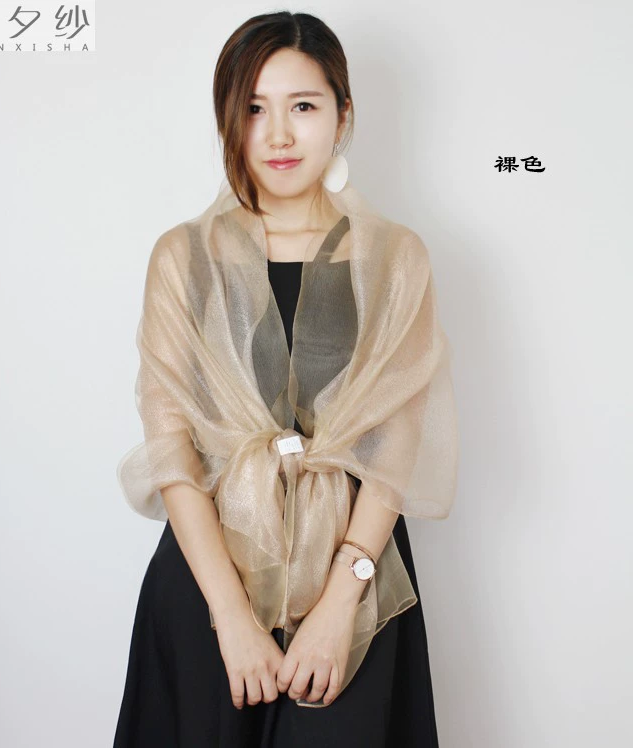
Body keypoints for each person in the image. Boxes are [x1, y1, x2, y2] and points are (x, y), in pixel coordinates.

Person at [114, 11, 456, 747]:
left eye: (302, 105)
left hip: (356, 584)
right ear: (227, 121)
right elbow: (173, 453)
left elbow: (395, 447)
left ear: (342, 115)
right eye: (252, 109)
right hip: (208, 582)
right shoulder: (184, 259)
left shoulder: (394, 259)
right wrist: (231, 619)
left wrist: (338, 607)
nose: (277, 134)